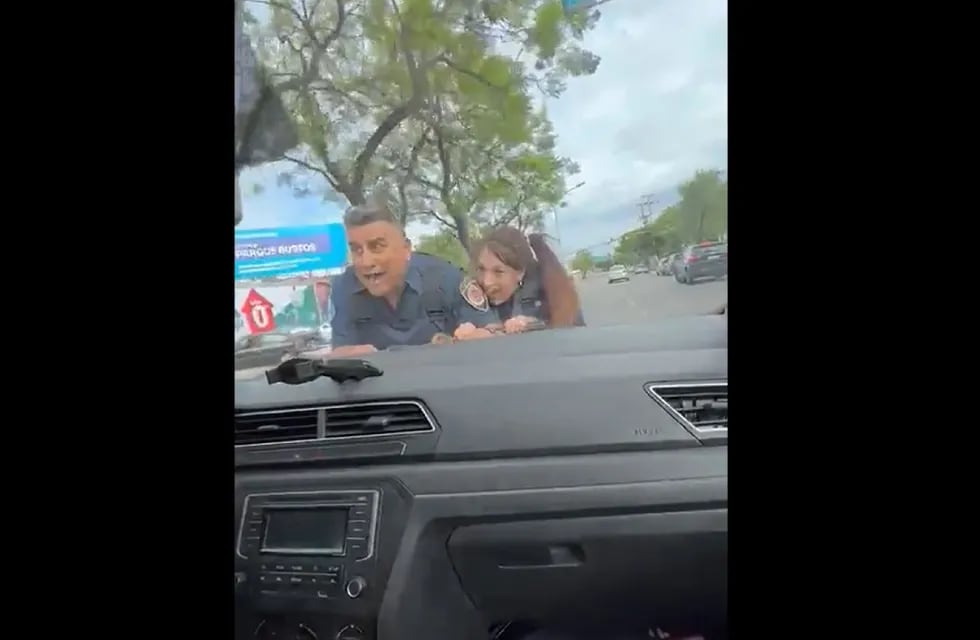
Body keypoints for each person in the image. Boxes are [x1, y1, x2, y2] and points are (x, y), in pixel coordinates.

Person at [329, 201, 498, 355]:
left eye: (377, 247)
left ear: (406, 249)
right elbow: (340, 352)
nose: (366, 261)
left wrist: (478, 336)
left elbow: (494, 333)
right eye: (357, 250)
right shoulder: (343, 289)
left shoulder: (446, 279)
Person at [455, 226, 584, 340]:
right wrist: (464, 333)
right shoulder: (472, 291)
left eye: (498, 272)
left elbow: (573, 339)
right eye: (481, 269)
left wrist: (535, 327)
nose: (486, 282)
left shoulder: (552, 292)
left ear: (520, 272)